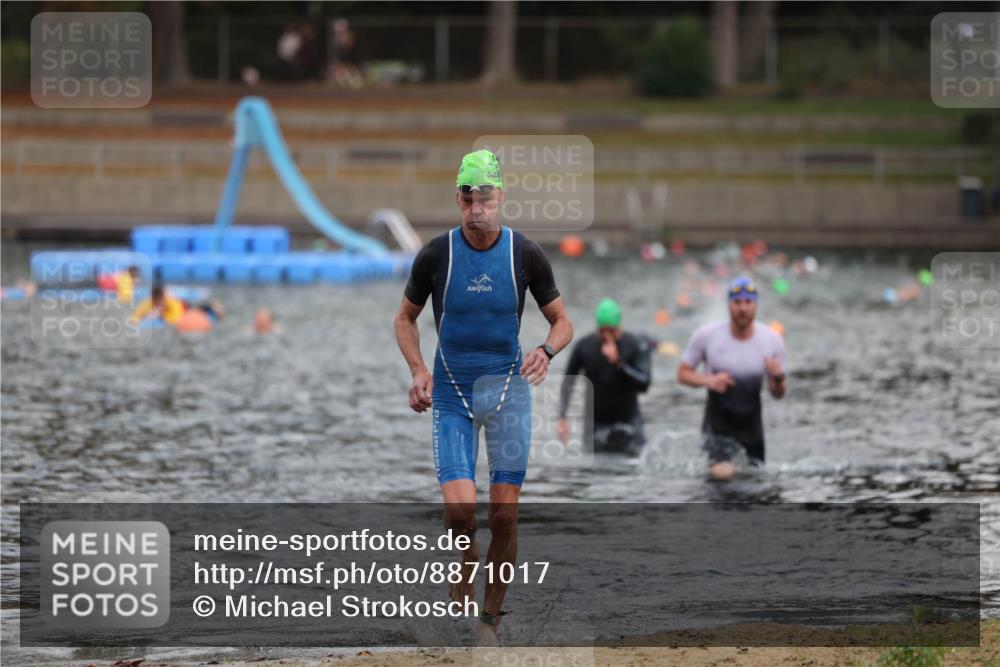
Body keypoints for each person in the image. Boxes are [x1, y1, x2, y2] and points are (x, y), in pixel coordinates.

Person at [394, 149, 573, 645]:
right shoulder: (436, 254)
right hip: (451, 395)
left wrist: (546, 350)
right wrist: (416, 370)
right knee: (458, 514)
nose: (478, 207)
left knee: (504, 515)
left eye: (486, 197)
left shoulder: (526, 254)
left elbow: (563, 321)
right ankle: (466, 559)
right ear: (458, 199)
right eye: (468, 197)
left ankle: (489, 621)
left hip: (508, 394)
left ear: (500, 199)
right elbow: (404, 318)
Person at [677, 277, 787, 480]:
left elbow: (778, 394)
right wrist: (708, 380)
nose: (743, 308)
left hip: (752, 427)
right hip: (718, 423)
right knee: (722, 480)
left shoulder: (772, 340)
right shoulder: (707, 336)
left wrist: (778, 378)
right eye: (737, 302)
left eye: (748, 302)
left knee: (754, 488)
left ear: (756, 305)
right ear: (729, 304)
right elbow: (682, 374)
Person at [557, 299, 651, 457]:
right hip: (595, 423)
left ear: (620, 325)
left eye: (612, 330)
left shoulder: (635, 345)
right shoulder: (584, 346)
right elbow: (568, 383)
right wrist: (562, 417)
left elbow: (644, 383)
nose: (607, 335)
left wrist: (618, 363)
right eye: (602, 331)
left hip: (628, 420)